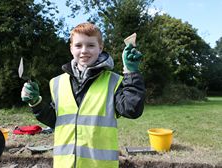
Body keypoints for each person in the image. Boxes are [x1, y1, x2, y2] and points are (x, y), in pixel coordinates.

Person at [21, 22, 145, 168]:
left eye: (91, 45)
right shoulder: (57, 83)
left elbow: (132, 109)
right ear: (71, 48)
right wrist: (36, 102)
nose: (84, 50)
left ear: (101, 48)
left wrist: (131, 73)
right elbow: (56, 121)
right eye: (78, 45)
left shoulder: (113, 81)